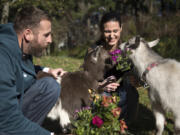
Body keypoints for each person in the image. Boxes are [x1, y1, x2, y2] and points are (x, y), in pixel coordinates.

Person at [0, 6, 65, 135]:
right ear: (28, 34)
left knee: (50, 86)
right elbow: (5, 120)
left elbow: (19, 69)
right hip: (4, 121)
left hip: (11, 112)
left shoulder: (21, 45)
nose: (50, 40)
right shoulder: (3, 57)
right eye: (46, 35)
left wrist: (47, 70)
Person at [85, 12, 139, 124]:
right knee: (103, 97)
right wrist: (101, 85)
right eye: (107, 31)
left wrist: (139, 82)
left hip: (120, 93)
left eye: (115, 31)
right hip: (99, 92)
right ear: (101, 30)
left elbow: (137, 78)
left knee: (132, 91)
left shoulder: (125, 51)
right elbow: (85, 80)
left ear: (121, 28)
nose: (111, 35)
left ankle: (124, 124)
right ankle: (104, 123)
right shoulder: (94, 51)